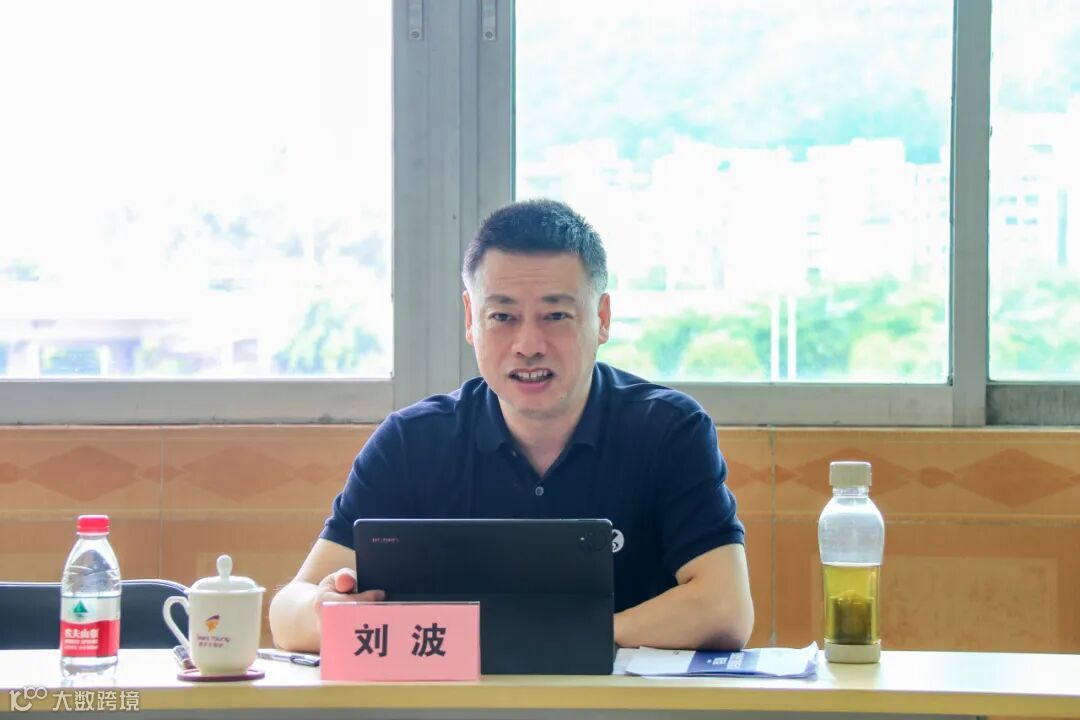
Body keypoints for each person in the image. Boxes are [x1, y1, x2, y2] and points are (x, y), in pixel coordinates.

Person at [269, 199, 753, 653]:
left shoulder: (668, 431)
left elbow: (725, 608)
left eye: (555, 315)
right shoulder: (411, 443)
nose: (528, 345)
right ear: (470, 319)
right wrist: (323, 612)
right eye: (502, 316)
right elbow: (288, 613)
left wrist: (556, 641)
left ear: (602, 318)